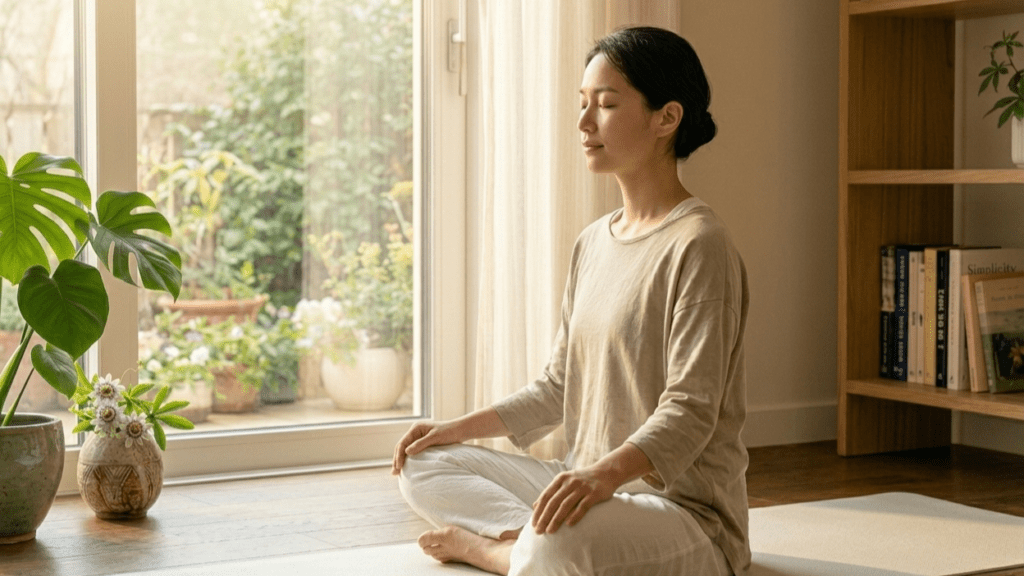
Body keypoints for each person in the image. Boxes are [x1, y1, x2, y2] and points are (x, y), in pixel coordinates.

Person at [392, 26, 750, 576]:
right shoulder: (593, 241)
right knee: (422, 465)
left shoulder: (699, 244)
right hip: (585, 479)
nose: (584, 124)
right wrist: (453, 428)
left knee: (558, 542)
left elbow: (690, 409)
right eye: (583, 104)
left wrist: (604, 477)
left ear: (666, 118)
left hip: (683, 512)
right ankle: (527, 545)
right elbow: (558, 386)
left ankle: (500, 551)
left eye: (605, 105)